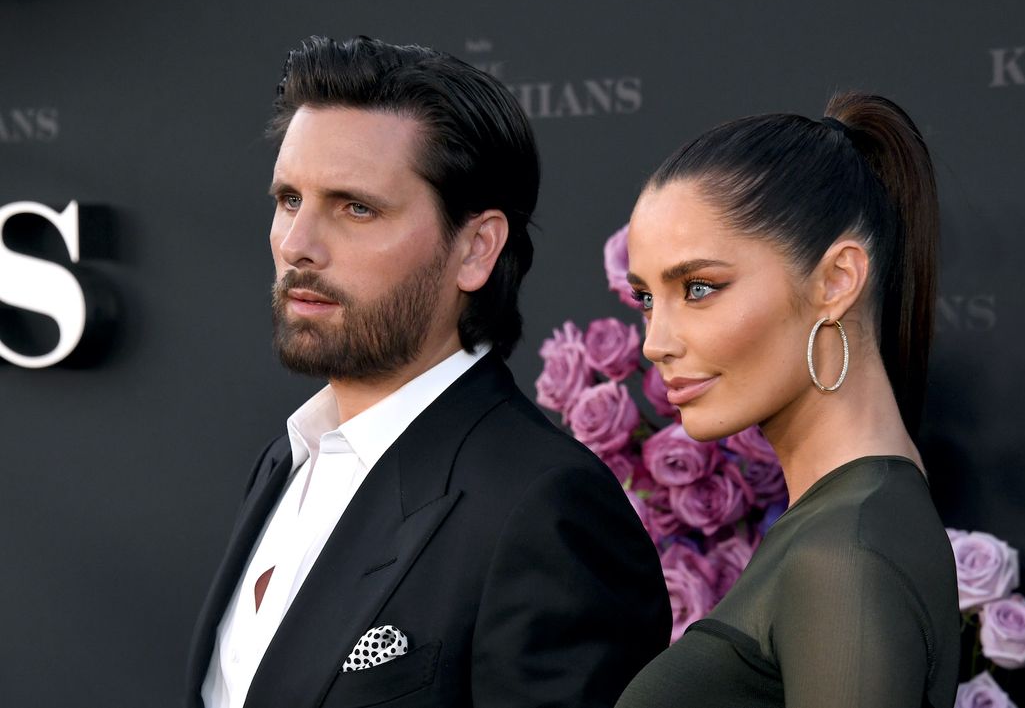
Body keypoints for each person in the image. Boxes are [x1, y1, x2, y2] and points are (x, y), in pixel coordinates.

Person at [185, 36, 670, 708]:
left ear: (475, 249)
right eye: (290, 199)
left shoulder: (545, 509)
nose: (297, 245)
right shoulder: (284, 461)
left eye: (356, 207)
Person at [616, 92, 961, 707]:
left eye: (698, 288)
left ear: (836, 281)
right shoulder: (848, 523)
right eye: (646, 298)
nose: (655, 343)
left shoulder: (846, 554)